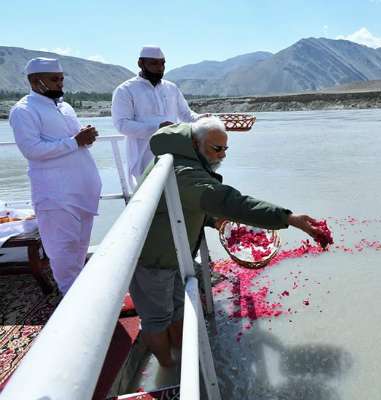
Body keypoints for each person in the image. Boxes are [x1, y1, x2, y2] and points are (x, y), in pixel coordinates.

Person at [130, 116, 326, 367]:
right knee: (157, 319)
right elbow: (227, 201)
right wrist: (289, 218)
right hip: (154, 258)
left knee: (177, 309)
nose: (222, 155)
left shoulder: (183, 157)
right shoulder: (184, 171)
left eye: (225, 149)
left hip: (174, 253)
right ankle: (168, 366)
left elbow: (183, 204)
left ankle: (182, 358)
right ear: (194, 142)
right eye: (216, 148)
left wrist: (212, 220)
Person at [9, 58, 102, 295]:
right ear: (34, 80)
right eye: (54, 79)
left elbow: (73, 144)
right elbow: (32, 150)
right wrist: (74, 141)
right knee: (62, 248)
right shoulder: (23, 110)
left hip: (82, 191)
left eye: (61, 78)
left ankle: (80, 292)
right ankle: (69, 298)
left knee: (80, 246)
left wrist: (85, 137)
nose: (60, 83)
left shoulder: (65, 107)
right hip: (55, 194)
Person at [111, 45, 204, 187]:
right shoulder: (125, 90)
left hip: (175, 154)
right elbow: (122, 125)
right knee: (150, 199)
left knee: (176, 197)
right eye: (154, 63)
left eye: (162, 63)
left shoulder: (171, 88)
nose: (160, 67)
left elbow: (186, 114)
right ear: (140, 64)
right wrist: (157, 128)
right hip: (143, 157)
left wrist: (202, 119)